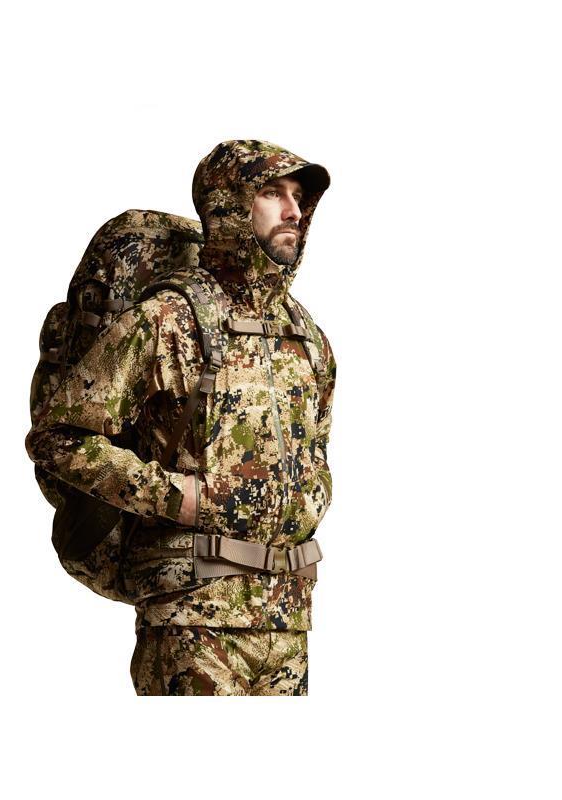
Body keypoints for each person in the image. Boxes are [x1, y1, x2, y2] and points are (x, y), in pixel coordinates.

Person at [25, 139, 336, 695]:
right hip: (191, 620)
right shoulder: (168, 319)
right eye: (273, 193)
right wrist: (179, 497)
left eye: (299, 196)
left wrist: (315, 496)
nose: (294, 210)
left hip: (289, 620)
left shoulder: (305, 335)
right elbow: (58, 437)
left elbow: (316, 450)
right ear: (229, 206)